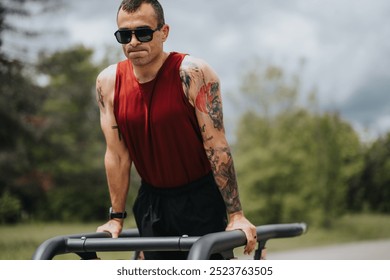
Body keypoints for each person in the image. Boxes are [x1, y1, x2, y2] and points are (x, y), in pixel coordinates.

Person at [96, 0, 257, 260]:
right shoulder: (108, 82)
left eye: (143, 32)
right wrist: (115, 218)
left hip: (200, 200)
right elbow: (117, 155)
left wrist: (236, 215)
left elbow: (215, 145)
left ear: (164, 32)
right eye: (124, 35)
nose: (134, 41)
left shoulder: (193, 73)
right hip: (151, 201)